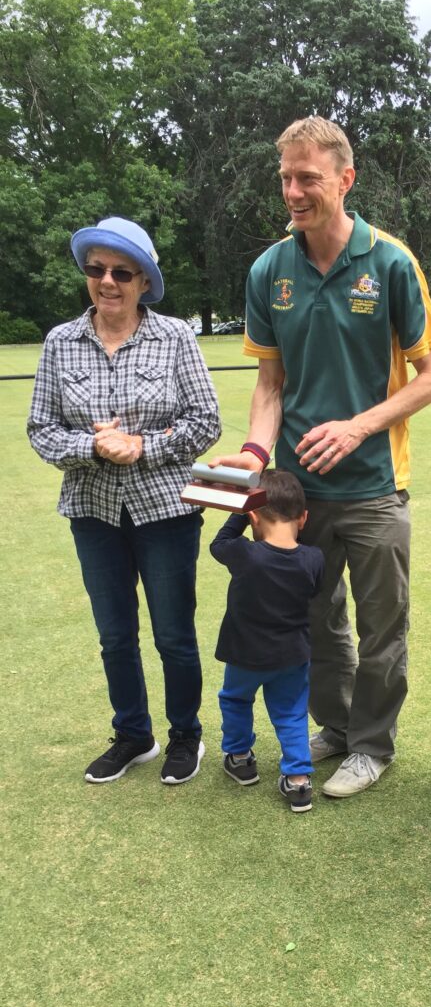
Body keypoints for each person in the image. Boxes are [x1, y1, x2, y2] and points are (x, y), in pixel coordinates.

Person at [211, 116, 431, 798]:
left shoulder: (391, 262)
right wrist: (257, 451)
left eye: (307, 177)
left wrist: (357, 428)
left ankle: (372, 747)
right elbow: (270, 383)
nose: (293, 190)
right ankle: (339, 728)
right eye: (285, 177)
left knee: (383, 629)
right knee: (312, 621)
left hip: (375, 486)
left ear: (345, 179)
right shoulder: (269, 270)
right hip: (295, 496)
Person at [27, 217, 221, 785]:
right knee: (115, 635)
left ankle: (186, 735)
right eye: (95, 269)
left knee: (173, 635)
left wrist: (142, 446)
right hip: (93, 511)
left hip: (166, 509)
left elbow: (205, 419)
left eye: (120, 272)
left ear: (143, 281)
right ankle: (133, 734)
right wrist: (92, 445)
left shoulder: (175, 337)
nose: (106, 281)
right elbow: (41, 429)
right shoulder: (60, 342)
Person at [210, 470, 324, 813]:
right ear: (303, 518)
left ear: (253, 516)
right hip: (292, 655)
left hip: (244, 654)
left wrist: (239, 513)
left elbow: (219, 544)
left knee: (235, 700)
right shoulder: (313, 557)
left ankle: (241, 758)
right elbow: (316, 591)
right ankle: (299, 780)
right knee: (291, 713)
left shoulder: (246, 554)